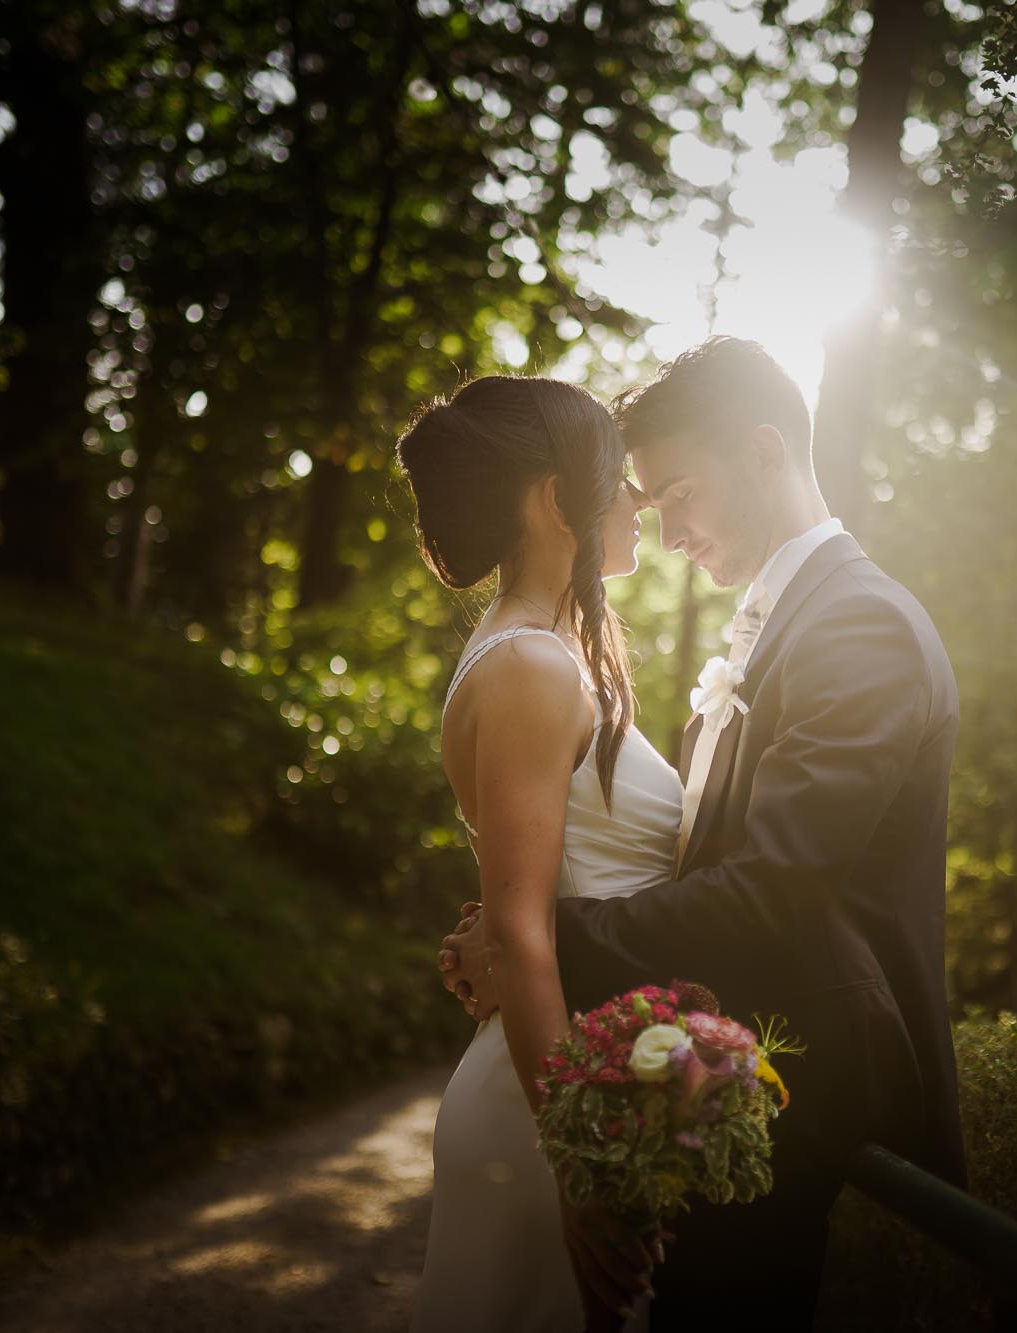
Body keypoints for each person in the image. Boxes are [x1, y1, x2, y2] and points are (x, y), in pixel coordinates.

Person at [439, 337, 964, 1331]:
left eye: (676, 491)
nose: (662, 527)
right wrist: (522, 936)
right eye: (647, 498)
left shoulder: (857, 624)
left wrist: (544, 940)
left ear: (764, 452)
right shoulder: (778, 623)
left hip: (813, 1100)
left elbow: (772, 885)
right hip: (722, 1090)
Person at [402, 375, 670, 1333]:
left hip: (554, 1096)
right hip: (539, 1123)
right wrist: (584, 1165)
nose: (638, 498)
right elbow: (520, 933)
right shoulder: (528, 665)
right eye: (619, 480)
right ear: (558, 497)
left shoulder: (544, 652)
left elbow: (534, 900)